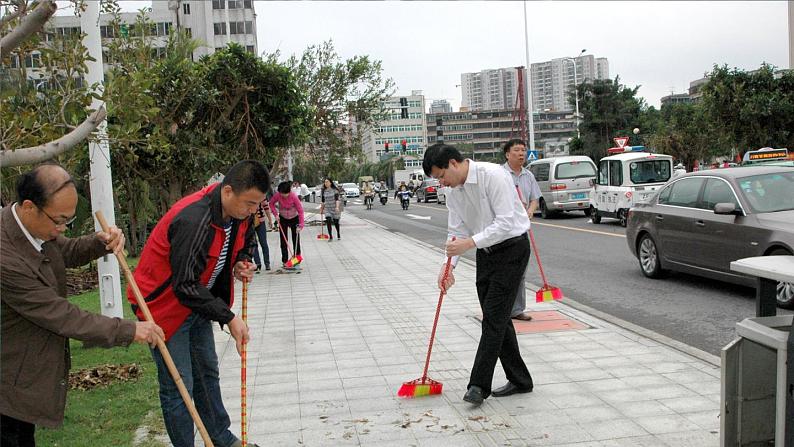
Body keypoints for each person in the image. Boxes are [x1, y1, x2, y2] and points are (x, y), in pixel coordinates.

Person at [1, 164, 164, 446]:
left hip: (20, 380)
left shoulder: (32, 228)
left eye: (68, 222)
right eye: (59, 220)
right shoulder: (5, 259)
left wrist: (99, 243)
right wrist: (128, 330)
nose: (61, 228)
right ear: (29, 207)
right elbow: (60, 315)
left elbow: (64, 250)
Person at [131, 160, 266, 447]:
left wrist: (243, 260)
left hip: (197, 303)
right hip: (162, 306)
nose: (253, 211)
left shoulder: (238, 213)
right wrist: (229, 317)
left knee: (207, 372)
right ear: (227, 192)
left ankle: (220, 438)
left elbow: (247, 238)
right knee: (179, 384)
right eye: (250, 203)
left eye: (257, 204)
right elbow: (185, 285)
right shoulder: (194, 218)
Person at [423, 143, 534, 406]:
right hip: (486, 253)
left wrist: (470, 242)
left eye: (441, 176)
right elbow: (456, 231)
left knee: (493, 319)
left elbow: (505, 223)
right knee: (498, 317)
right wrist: (448, 266)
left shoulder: (494, 176)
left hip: (512, 249)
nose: (441, 183)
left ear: (452, 163)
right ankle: (520, 379)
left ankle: (478, 385)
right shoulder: (453, 192)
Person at [502, 139, 542, 322]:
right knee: (503, 270)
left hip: (521, 228)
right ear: (507, 154)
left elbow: (535, 198)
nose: (521, 154)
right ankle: (503, 307)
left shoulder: (528, 176)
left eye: (523, 150)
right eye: (517, 150)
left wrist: (531, 210)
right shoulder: (500, 174)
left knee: (520, 270)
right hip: (502, 229)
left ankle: (517, 309)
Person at [269, 181, 305, 269]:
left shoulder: (294, 197)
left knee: (295, 239)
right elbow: (271, 204)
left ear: (289, 192)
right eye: (281, 193)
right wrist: (276, 214)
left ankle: (297, 260)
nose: (282, 195)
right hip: (283, 218)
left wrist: (301, 225)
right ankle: (285, 261)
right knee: (283, 240)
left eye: (284, 194)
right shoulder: (278, 195)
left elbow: (300, 211)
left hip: (294, 218)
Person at [252, 195, 274, 272]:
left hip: (260, 222)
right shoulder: (246, 195)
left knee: (263, 242)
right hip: (250, 223)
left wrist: (270, 220)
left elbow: (266, 208)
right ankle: (258, 264)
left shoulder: (261, 195)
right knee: (253, 244)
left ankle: (267, 263)